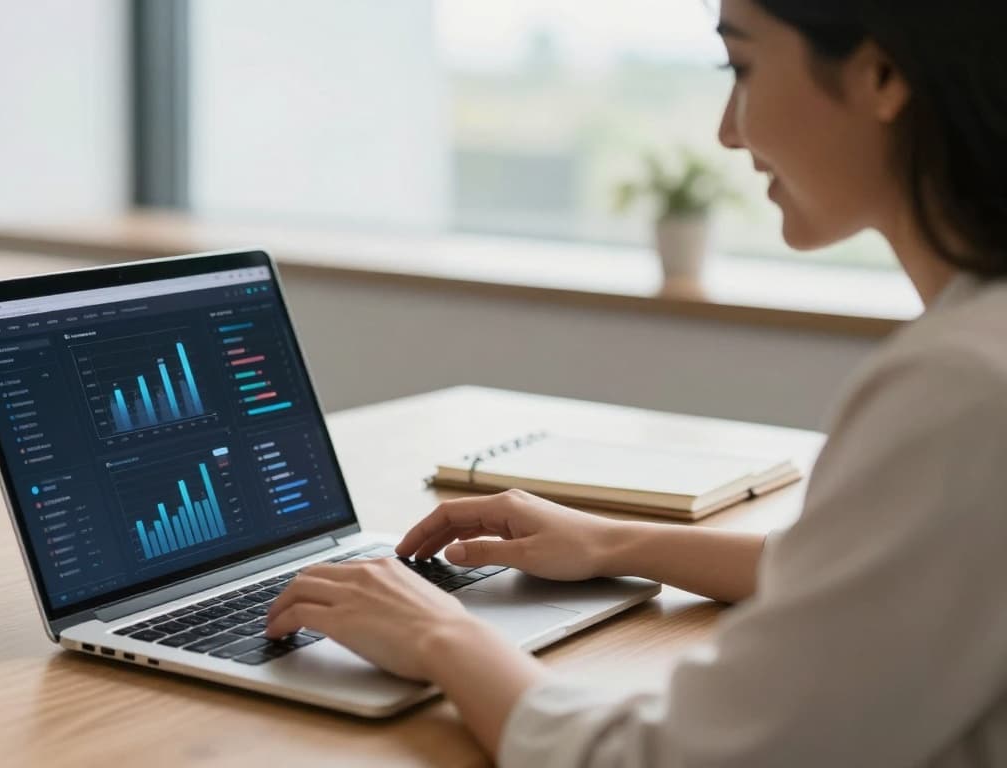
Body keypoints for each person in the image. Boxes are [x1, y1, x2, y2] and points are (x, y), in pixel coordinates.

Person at [264, 1, 1007, 765]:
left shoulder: (959, 388)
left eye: (741, 67)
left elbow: (667, 758)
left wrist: (439, 634)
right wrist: (611, 541)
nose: (728, 130)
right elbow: (886, 579)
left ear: (882, 73)